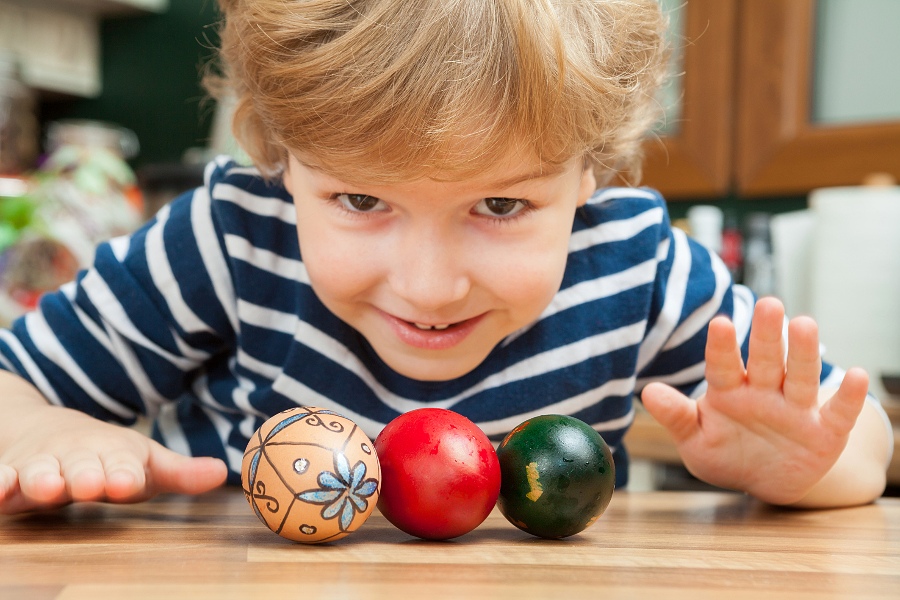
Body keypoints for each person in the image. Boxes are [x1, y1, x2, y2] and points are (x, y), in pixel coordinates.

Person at [0, 0, 892, 515]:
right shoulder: (229, 241)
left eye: (501, 204)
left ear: (594, 170)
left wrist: (812, 464)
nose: (429, 287)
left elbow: (863, 435)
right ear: (280, 154)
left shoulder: (642, 266)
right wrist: (38, 429)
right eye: (359, 201)